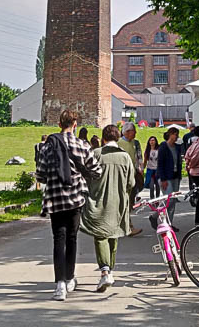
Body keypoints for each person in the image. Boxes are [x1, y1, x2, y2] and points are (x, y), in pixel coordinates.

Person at [35, 110, 101, 301]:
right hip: (75, 198)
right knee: (72, 238)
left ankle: (60, 285)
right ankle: (70, 278)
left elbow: (40, 175)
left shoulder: (48, 147)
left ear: (59, 124)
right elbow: (96, 170)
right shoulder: (81, 145)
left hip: (55, 199)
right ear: (75, 124)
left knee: (58, 239)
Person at [81, 124, 138, 292]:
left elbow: (87, 177)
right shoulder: (125, 157)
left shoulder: (96, 154)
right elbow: (131, 183)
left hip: (98, 199)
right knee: (114, 234)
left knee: (100, 234)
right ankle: (110, 270)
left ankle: (105, 271)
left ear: (103, 138)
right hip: (119, 201)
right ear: (117, 137)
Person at [116, 125, 145, 237]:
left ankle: (126, 227)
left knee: (126, 203)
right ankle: (127, 228)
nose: (135, 133)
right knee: (124, 204)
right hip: (122, 178)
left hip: (130, 178)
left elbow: (136, 158)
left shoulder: (134, 143)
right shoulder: (119, 143)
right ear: (127, 132)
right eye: (133, 131)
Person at [153, 126, 183, 226]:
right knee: (169, 201)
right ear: (170, 134)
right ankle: (154, 216)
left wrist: (179, 175)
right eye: (175, 134)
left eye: (177, 135)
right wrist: (163, 179)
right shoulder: (163, 147)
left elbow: (179, 162)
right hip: (165, 177)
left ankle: (169, 224)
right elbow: (160, 164)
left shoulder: (177, 147)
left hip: (175, 177)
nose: (176, 137)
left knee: (173, 201)